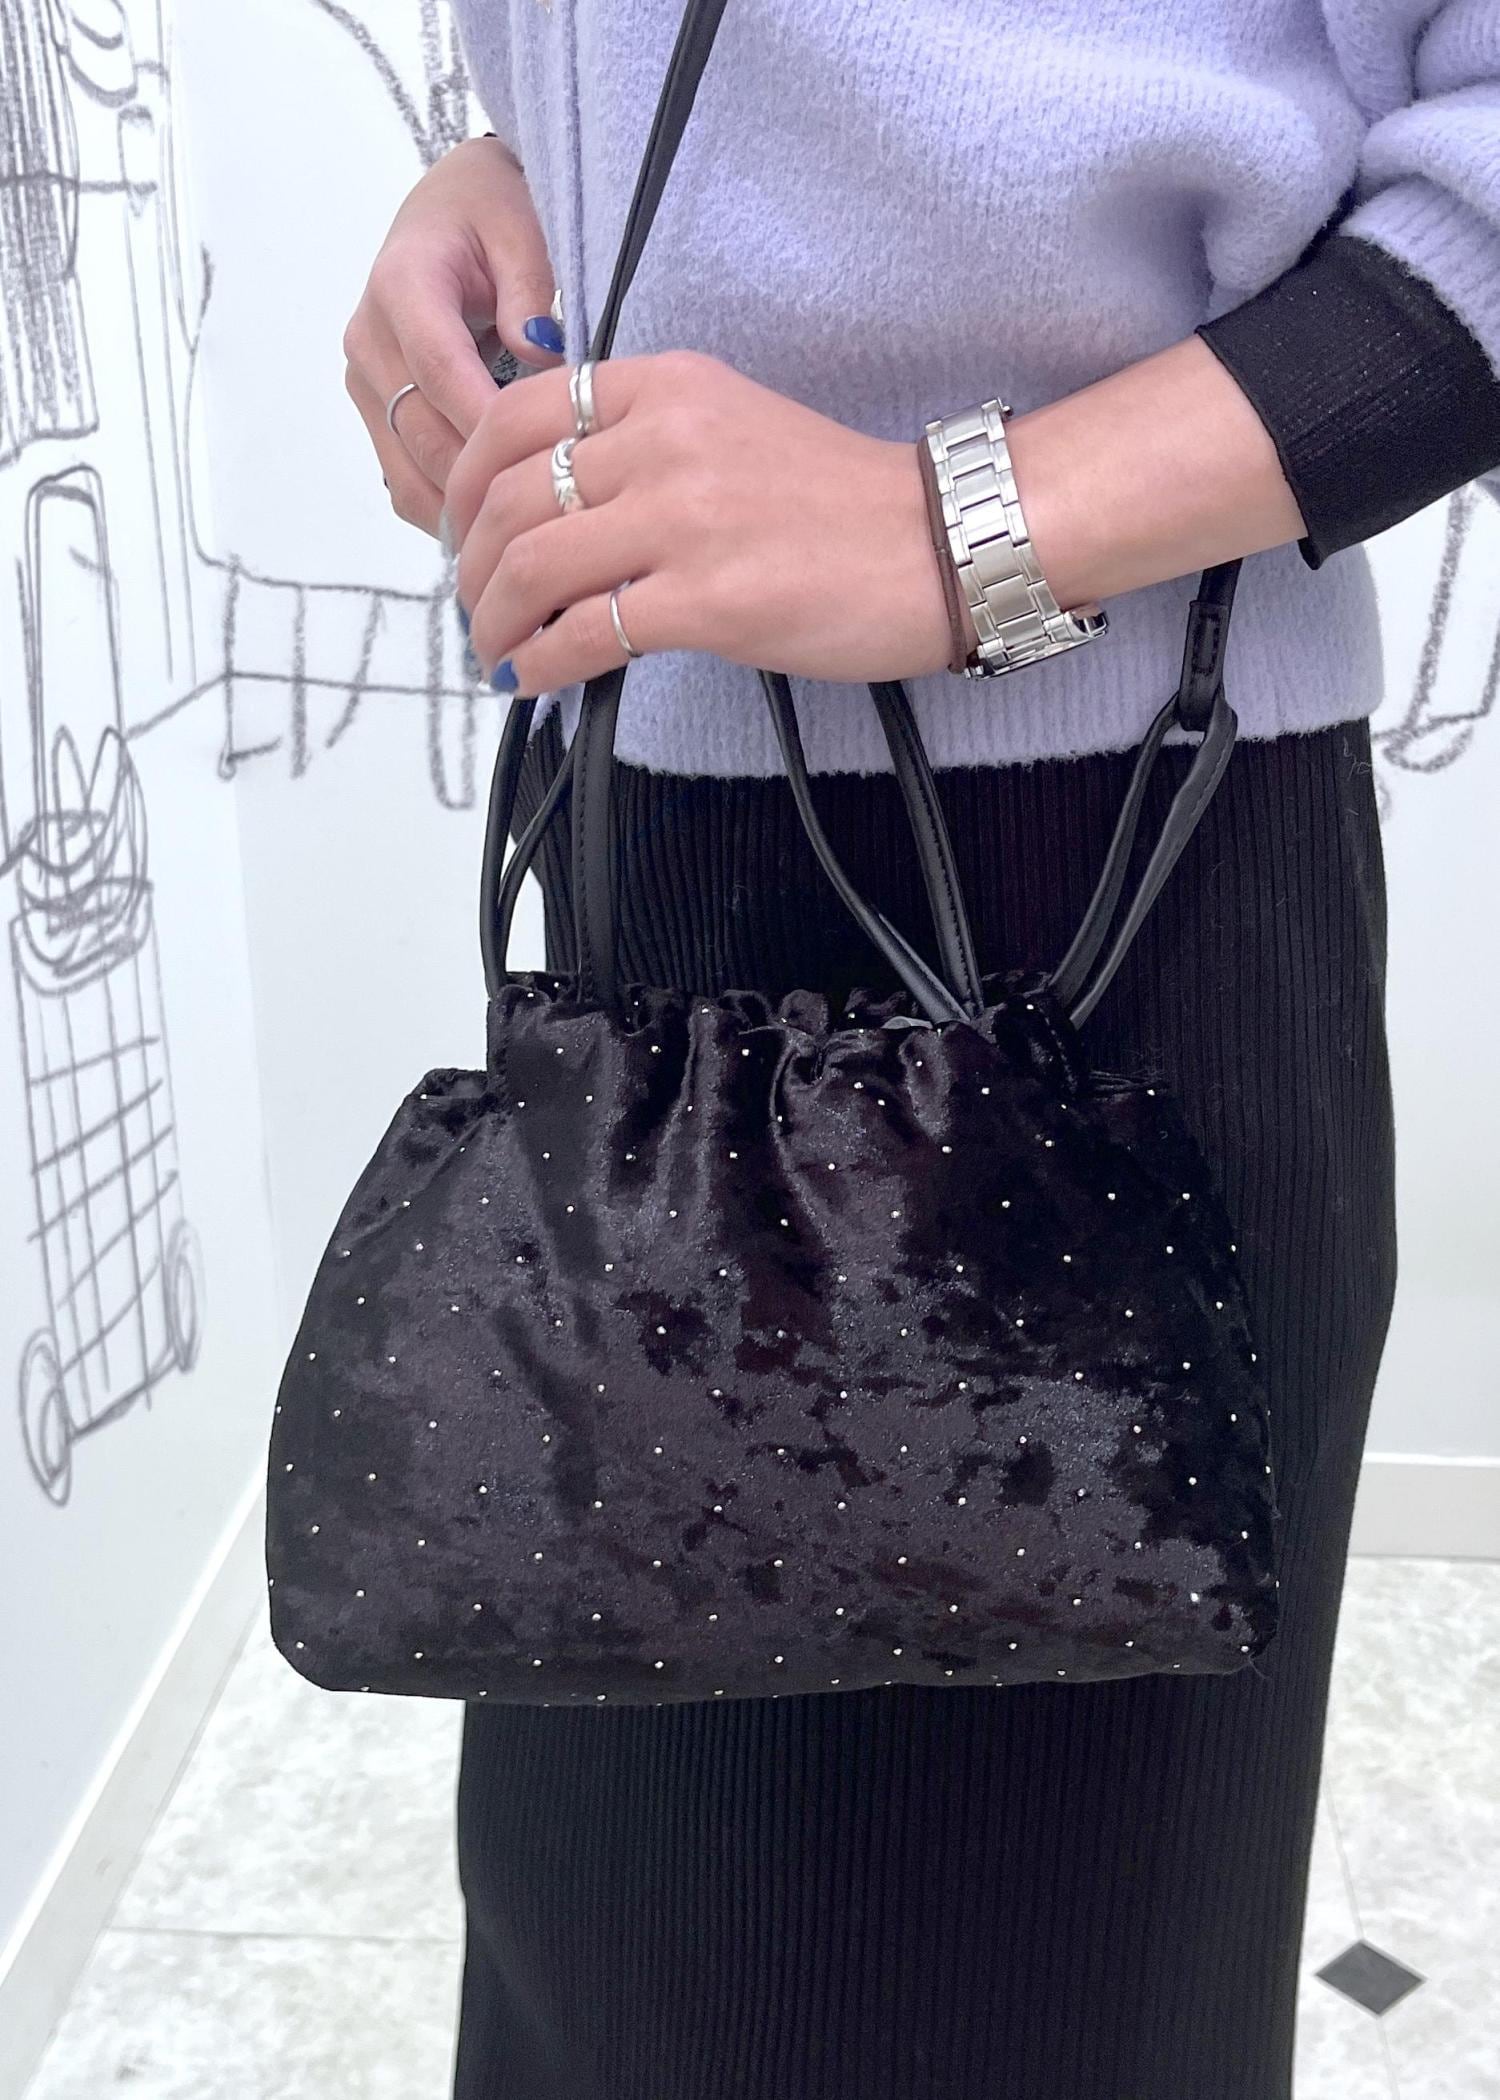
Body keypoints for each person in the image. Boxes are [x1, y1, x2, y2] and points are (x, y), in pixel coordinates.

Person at [341, 4, 1500, 2094]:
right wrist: (519, 164)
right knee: (605, 1952)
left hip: (1111, 871)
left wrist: (955, 525)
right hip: (643, 823)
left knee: (1026, 1977)